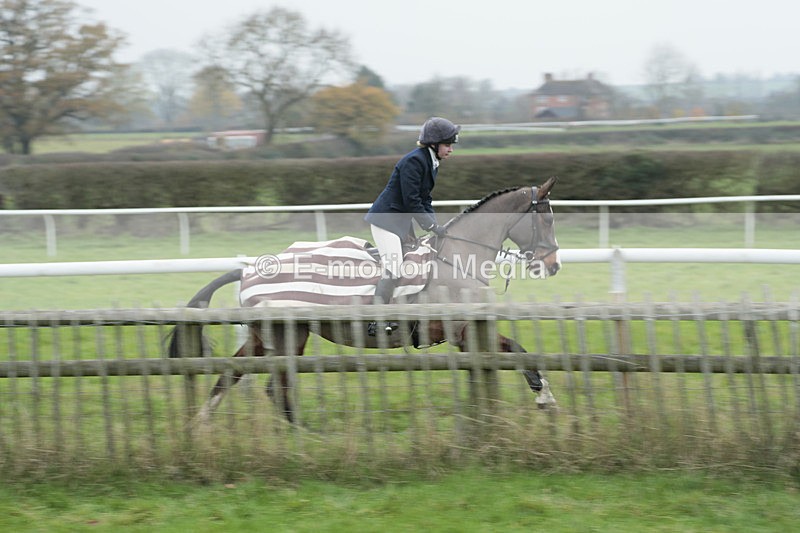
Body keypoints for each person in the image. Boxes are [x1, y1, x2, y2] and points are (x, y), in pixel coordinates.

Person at [364, 116, 460, 334]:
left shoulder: (431, 162)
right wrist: (431, 227)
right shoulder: (414, 161)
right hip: (385, 221)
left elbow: (425, 200)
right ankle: (375, 320)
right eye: (447, 145)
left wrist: (435, 225)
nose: (451, 149)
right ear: (434, 145)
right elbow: (412, 201)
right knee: (395, 266)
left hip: (400, 223)